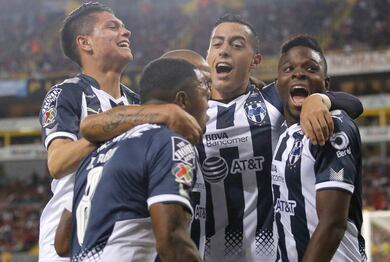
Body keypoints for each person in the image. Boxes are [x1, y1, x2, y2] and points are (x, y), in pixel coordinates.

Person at [38, 3, 201, 261]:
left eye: (124, 27)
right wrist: (127, 126)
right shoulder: (67, 93)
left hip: (124, 234)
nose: (126, 32)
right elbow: (57, 163)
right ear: (85, 43)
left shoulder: (138, 103)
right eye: (112, 26)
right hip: (69, 239)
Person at [199, 14, 363, 262]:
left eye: (236, 44)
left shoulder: (270, 102)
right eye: (217, 44)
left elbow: (354, 104)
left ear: (255, 60)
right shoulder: (188, 114)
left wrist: (320, 99)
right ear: (208, 54)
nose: (224, 51)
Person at [70, 58, 208, 261]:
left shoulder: (96, 153)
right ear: (183, 100)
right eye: (205, 96)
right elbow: (172, 241)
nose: (208, 105)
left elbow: (63, 241)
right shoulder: (170, 143)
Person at [271, 35, 366, 261]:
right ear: (277, 85)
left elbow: (332, 224)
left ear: (326, 84)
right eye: (289, 68)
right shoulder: (283, 130)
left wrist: (320, 99)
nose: (298, 73)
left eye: (310, 68)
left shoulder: (333, 126)